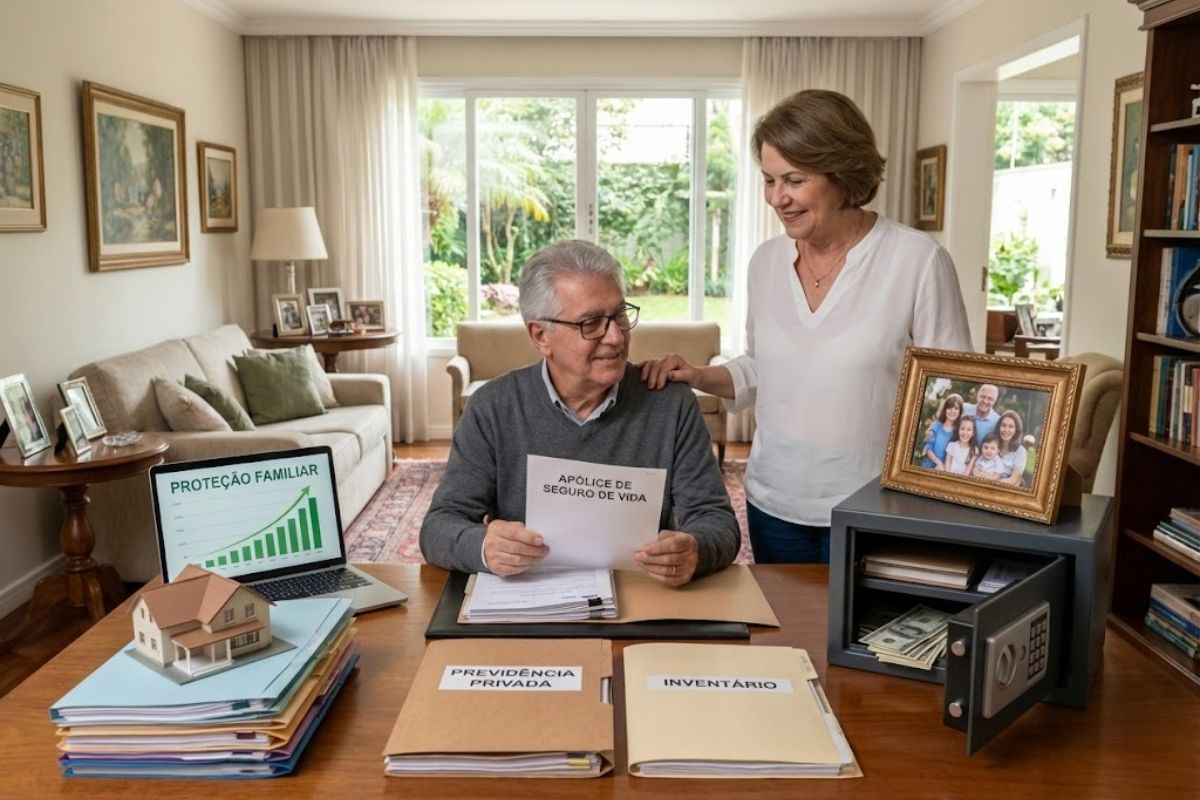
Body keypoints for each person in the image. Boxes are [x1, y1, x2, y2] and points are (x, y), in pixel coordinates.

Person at [640, 89, 971, 564]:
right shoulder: (766, 262)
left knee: (866, 638)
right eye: (769, 180)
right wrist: (697, 374)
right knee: (789, 635)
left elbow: (951, 393)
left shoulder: (917, 261)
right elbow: (761, 369)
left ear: (841, 173)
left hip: (877, 507)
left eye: (794, 179)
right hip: (773, 503)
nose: (778, 198)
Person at [420, 239, 740, 586]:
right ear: (540, 335)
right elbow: (439, 527)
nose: (616, 337)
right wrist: (484, 547)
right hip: (529, 603)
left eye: (620, 315)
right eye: (591, 323)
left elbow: (717, 522)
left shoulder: (670, 403)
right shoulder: (492, 408)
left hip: (643, 598)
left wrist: (695, 548)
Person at [921, 393, 963, 470]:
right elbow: (928, 448)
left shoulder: (958, 431)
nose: (952, 411)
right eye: (949, 408)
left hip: (946, 468)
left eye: (956, 408)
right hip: (929, 464)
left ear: (960, 412)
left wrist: (944, 467)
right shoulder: (936, 425)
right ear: (945, 409)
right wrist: (938, 463)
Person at [994, 410, 1028, 487]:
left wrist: (992, 483)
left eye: (1011, 427)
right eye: (1003, 425)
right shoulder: (992, 445)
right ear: (999, 427)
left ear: (1016, 430)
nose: (1006, 430)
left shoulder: (1021, 452)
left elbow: (1013, 479)